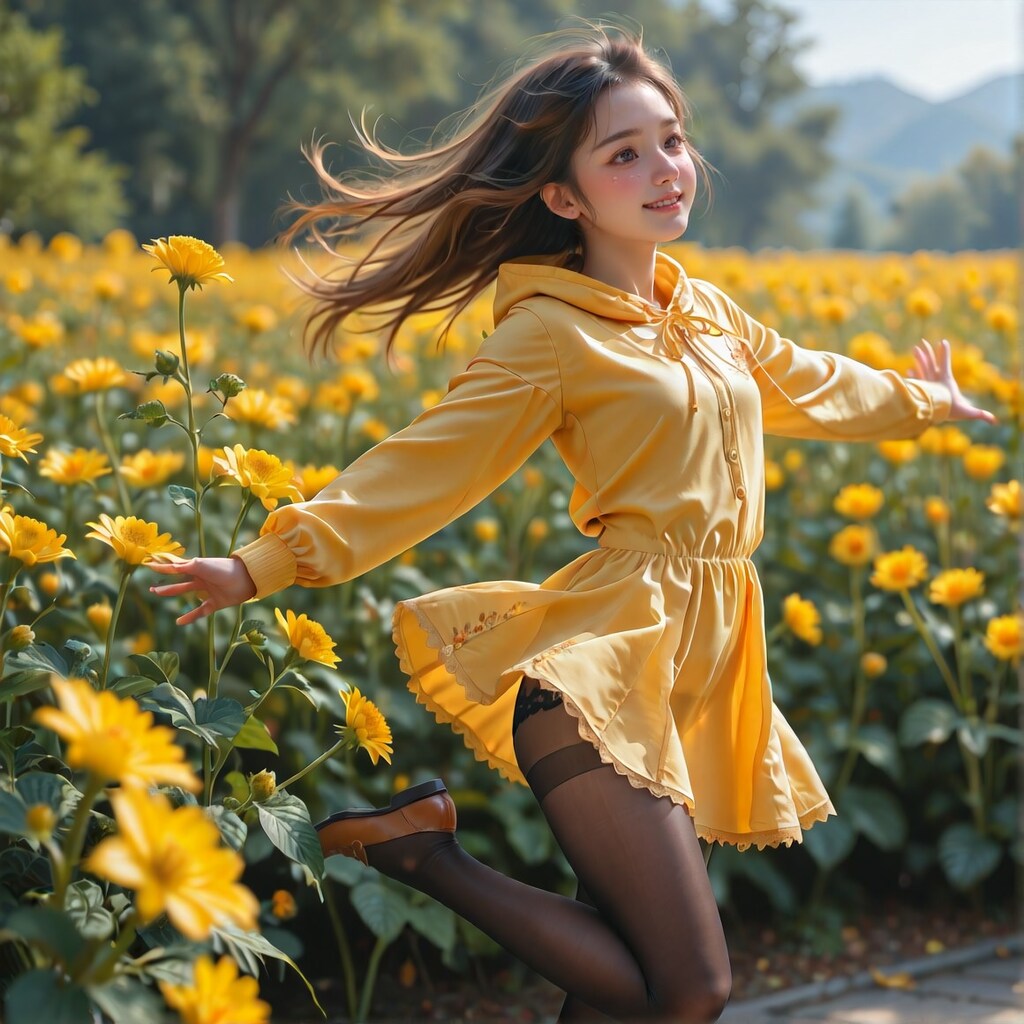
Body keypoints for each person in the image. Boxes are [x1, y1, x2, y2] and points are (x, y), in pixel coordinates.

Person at [147, 21, 998, 1023]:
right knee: (690, 986)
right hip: (605, 664)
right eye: (623, 154)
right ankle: (420, 851)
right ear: (563, 195)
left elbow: (812, 383)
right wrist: (261, 562)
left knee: (619, 995)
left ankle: (420, 846)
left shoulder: (706, 314)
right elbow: (428, 462)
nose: (664, 170)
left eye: (671, 141)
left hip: (698, 656)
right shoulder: (549, 334)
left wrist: (921, 401)